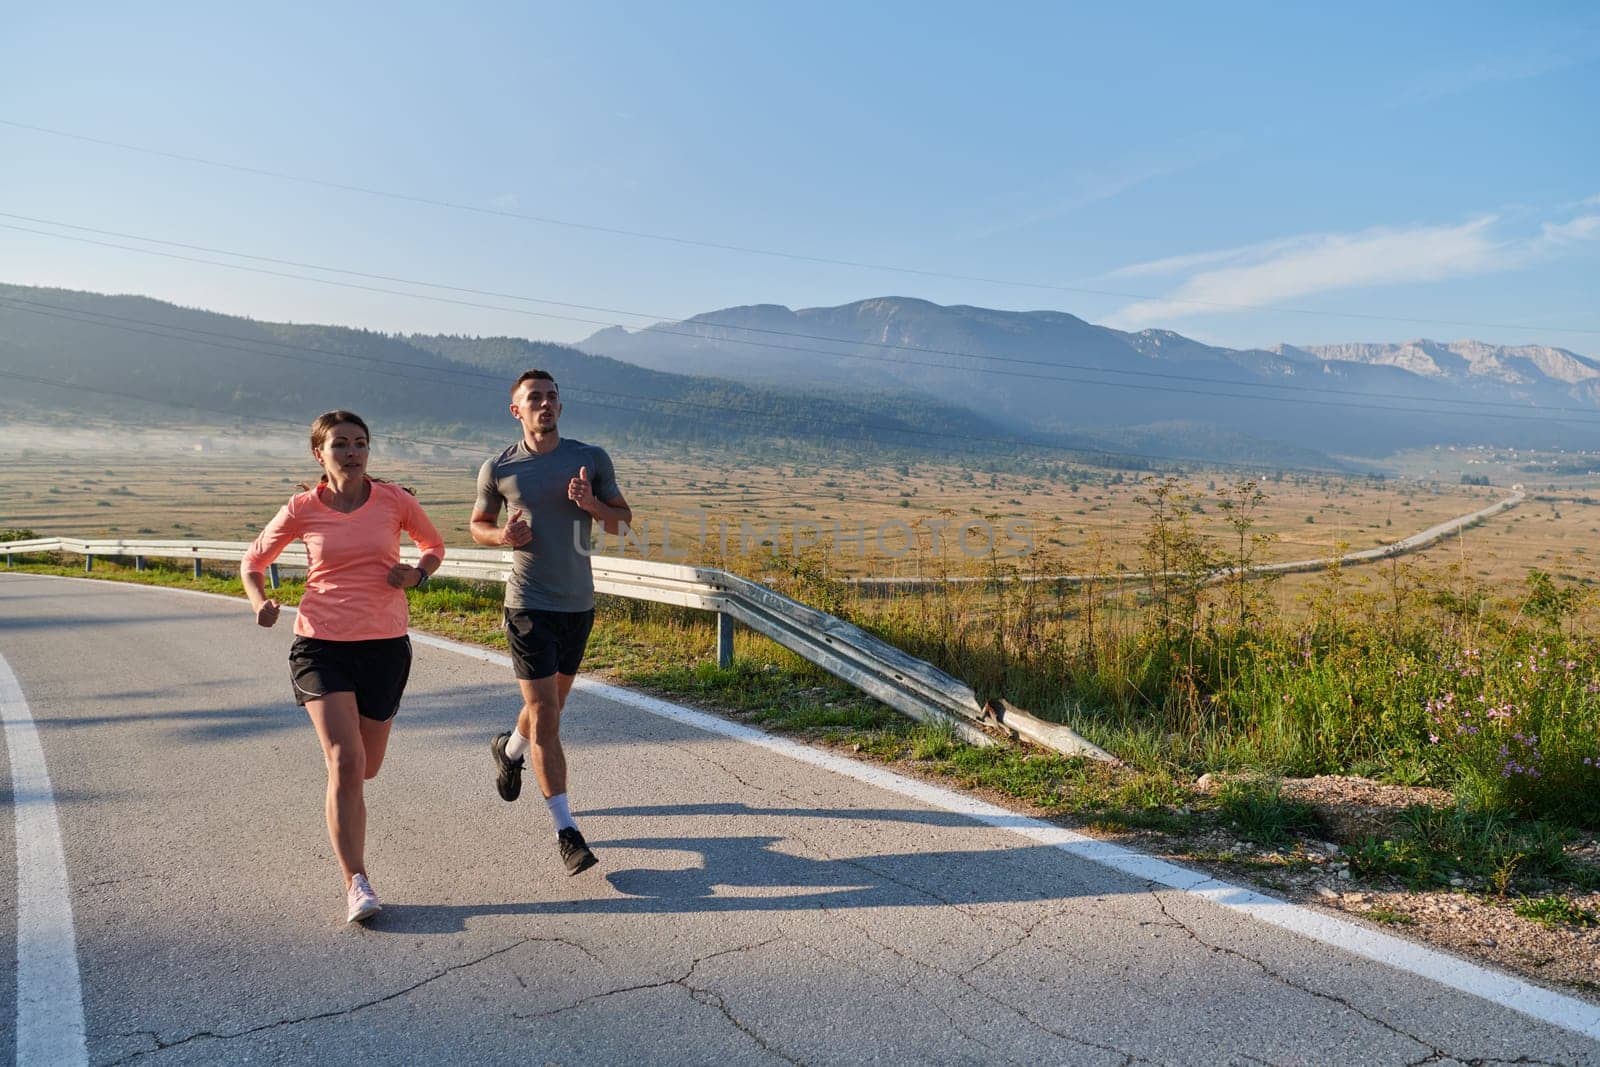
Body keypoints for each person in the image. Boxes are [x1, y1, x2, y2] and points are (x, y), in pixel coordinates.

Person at [241, 411, 445, 923]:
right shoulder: (301, 508)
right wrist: (258, 601)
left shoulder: (395, 500)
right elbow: (253, 562)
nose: (352, 452)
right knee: (346, 762)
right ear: (319, 454)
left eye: (360, 444)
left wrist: (417, 575)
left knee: (366, 767)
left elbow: (434, 546)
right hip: (320, 647)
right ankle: (356, 881)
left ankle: (346, 791)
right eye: (340, 445)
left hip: (385, 647)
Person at [472, 370, 631, 876]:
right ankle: (567, 832)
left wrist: (592, 505)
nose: (544, 404)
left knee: (551, 709)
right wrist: (502, 537)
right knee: (546, 715)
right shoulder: (499, 467)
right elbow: (478, 525)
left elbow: (622, 521)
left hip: (577, 604)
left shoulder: (591, 458)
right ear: (515, 410)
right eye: (533, 398)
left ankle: (509, 749)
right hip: (527, 603)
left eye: (551, 396)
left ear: (560, 406)